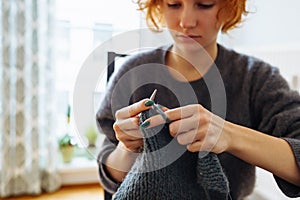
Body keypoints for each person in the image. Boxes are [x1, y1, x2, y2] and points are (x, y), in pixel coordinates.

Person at [96, 0, 300, 199]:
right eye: (174, 5)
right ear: (158, 5)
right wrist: (127, 148)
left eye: (204, 5)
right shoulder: (131, 74)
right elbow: (110, 175)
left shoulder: (256, 79)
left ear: (229, 7)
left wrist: (229, 135)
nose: (186, 22)